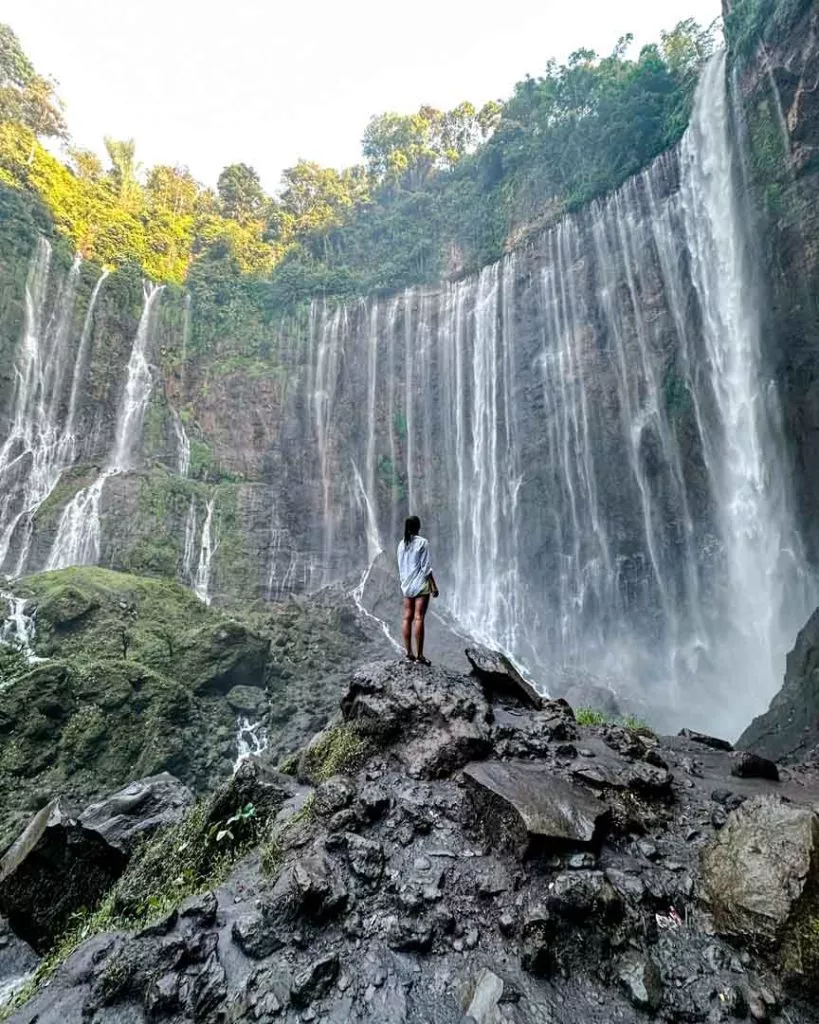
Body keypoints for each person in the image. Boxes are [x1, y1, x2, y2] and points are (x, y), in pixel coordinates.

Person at [397, 515, 439, 665]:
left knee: (406, 618)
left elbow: (401, 566)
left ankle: (409, 654)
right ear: (418, 527)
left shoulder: (401, 544)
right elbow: (426, 568)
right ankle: (420, 656)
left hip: (407, 585)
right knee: (419, 617)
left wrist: (404, 583)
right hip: (420, 584)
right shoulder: (422, 543)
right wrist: (433, 586)